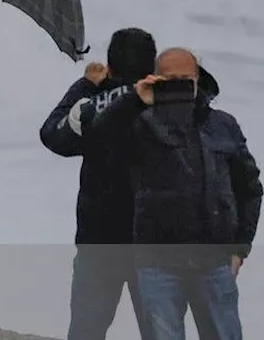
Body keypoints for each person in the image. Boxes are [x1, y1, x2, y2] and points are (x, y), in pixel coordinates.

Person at [87, 47, 262, 340]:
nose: (179, 86)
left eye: (186, 79)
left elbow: (250, 188)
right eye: (171, 80)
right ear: (155, 80)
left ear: (198, 80)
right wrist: (134, 100)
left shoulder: (222, 125)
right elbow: (98, 137)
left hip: (214, 260)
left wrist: (240, 247)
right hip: (157, 264)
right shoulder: (139, 124)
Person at [39, 28, 159, 340]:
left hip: (99, 236)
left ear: (111, 64)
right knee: (161, 328)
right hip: (156, 238)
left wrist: (85, 85)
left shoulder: (94, 105)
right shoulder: (167, 105)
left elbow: (52, 133)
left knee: (87, 329)